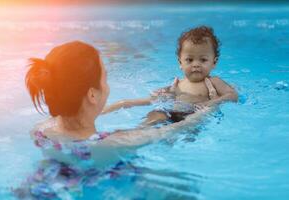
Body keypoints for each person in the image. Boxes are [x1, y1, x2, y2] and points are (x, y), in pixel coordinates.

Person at [14, 41, 209, 199]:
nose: (107, 86)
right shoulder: (112, 143)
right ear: (92, 95)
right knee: (184, 187)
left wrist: (137, 101)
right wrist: (213, 104)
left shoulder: (42, 129)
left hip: (39, 189)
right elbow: (180, 127)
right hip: (93, 186)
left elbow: (86, 112)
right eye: (104, 79)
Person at [102, 26, 238, 125]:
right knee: (150, 113)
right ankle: (132, 129)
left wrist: (210, 102)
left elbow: (232, 95)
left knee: (188, 126)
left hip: (192, 116)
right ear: (180, 62)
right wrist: (161, 92)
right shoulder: (178, 83)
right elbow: (167, 95)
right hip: (170, 110)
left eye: (203, 60)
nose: (196, 64)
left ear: (214, 62)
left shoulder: (214, 82)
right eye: (189, 60)